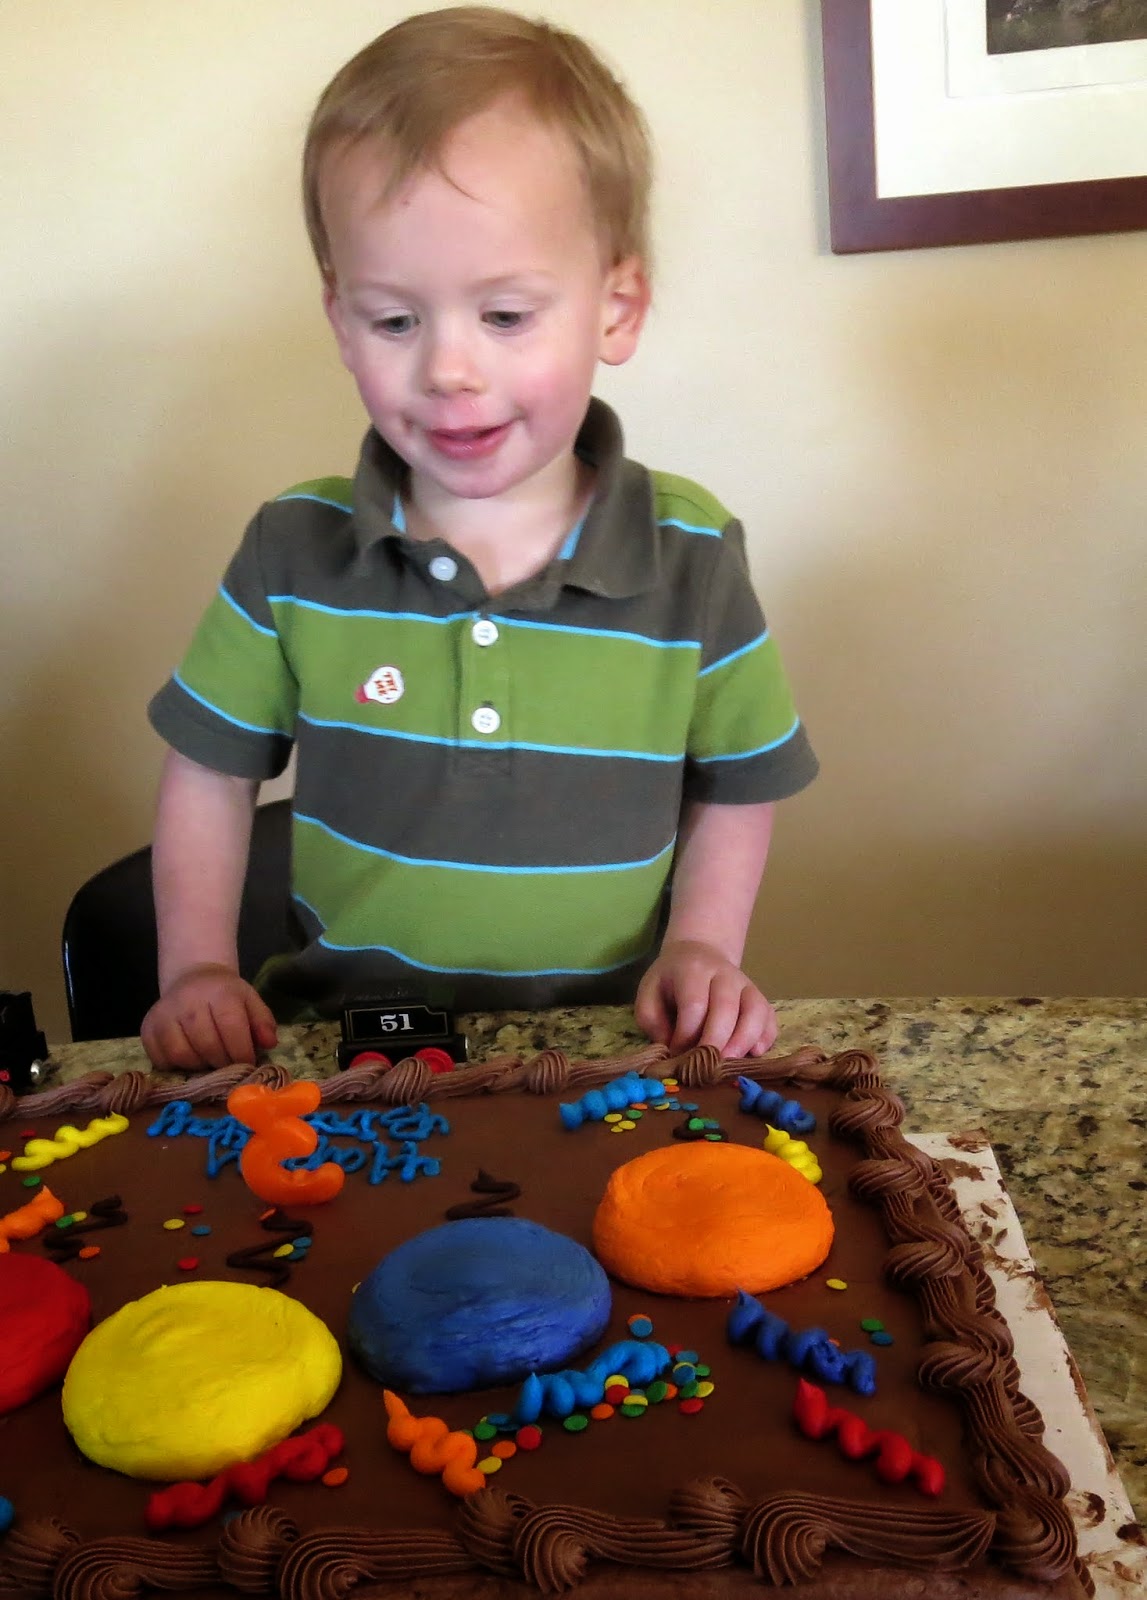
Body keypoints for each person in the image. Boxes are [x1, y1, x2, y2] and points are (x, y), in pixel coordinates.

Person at [142, 5, 818, 1073]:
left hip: (603, 1052)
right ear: (340, 319)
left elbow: (735, 781)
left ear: (615, 308)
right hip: (339, 1052)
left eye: (504, 316)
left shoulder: (689, 550)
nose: (448, 371)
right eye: (395, 320)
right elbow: (208, 777)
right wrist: (195, 969)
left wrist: (701, 946)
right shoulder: (292, 548)